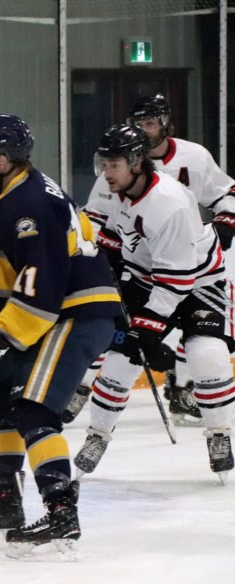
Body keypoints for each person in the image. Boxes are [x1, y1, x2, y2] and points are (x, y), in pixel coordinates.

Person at [0, 114, 120, 559]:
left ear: (3, 161)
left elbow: (39, 299)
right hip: (55, 312)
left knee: (32, 409)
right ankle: (7, 505)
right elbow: (13, 287)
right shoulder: (10, 197)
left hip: (76, 312)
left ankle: (61, 514)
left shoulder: (29, 206)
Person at [73, 124, 235, 482]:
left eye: (113, 164)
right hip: (146, 277)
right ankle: (97, 434)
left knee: (206, 355)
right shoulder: (113, 184)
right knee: (121, 360)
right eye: (103, 163)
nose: (105, 172)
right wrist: (104, 261)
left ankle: (219, 433)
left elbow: (176, 281)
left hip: (199, 281)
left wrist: (148, 329)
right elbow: (106, 229)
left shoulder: (170, 203)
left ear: (135, 162)